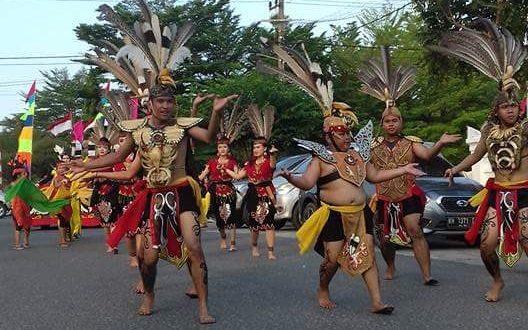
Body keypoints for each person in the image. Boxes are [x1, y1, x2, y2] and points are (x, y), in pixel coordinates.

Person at [258, 40, 423, 313]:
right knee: (332, 259)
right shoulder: (319, 159)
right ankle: (323, 288)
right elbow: (307, 184)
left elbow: (375, 175)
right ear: (328, 136)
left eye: (347, 132)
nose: (346, 136)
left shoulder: (358, 154)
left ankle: (377, 301)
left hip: (360, 215)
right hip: (335, 215)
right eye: (341, 133)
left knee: (366, 253)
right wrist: (290, 178)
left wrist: (404, 169)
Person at [432, 18, 528, 302]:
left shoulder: (525, 127)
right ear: (496, 109)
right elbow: (476, 155)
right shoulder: (488, 130)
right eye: (505, 106)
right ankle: (497, 281)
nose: (510, 110)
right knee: (486, 245)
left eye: (514, 106)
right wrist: (455, 168)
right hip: (497, 193)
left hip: (524, 191)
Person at [357, 46, 461, 283]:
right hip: (383, 197)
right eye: (387, 121)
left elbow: (426, 155)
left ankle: (426, 275)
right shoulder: (372, 145)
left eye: (395, 120)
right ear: (382, 123)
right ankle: (391, 266)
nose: (391, 124)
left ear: (401, 122)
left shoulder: (411, 143)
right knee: (384, 238)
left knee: (415, 229)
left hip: (408, 194)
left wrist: (440, 144)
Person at [225, 104, 278, 259]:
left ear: (265, 149)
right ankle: (254, 247)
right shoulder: (249, 164)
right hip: (253, 194)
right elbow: (237, 177)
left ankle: (270, 251)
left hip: (268, 194)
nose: (255, 149)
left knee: (269, 223)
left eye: (258, 147)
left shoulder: (269, 161)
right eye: (254, 147)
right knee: (254, 224)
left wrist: (274, 155)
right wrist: (225, 166)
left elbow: (273, 165)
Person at [198, 103, 245, 251]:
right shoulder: (211, 162)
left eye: (224, 147)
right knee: (220, 218)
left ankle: (232, 243)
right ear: (217, 149)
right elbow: (202, 176)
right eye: (220, 147)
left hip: (229, 191)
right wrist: (199, 176)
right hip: (216, 191)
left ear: (228, 149)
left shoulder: (232, 162)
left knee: (231, 216)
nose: (222, 149)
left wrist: (228, 171)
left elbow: (237, 176)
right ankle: (223, 237)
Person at [89, 136, 120, 253]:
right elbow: (88, 173)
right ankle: (109, 242)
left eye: (104, 147)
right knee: (104, 221)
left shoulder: (113, 160)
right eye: (99, 147)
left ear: (109, 149)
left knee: (112, 218)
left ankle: (114, 244)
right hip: (98, 191)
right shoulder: (93, 161)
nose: (102, 149)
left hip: (111, 189)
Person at [9, 166, 32, 249]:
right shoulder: (13, 184)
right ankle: (17, 244)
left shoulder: (27, 183)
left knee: (27, 225)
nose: (25, 175)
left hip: (26, 206)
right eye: (23, 173)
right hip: (16, 207)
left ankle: (26, 241)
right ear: (18, 175)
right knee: (19, 225)